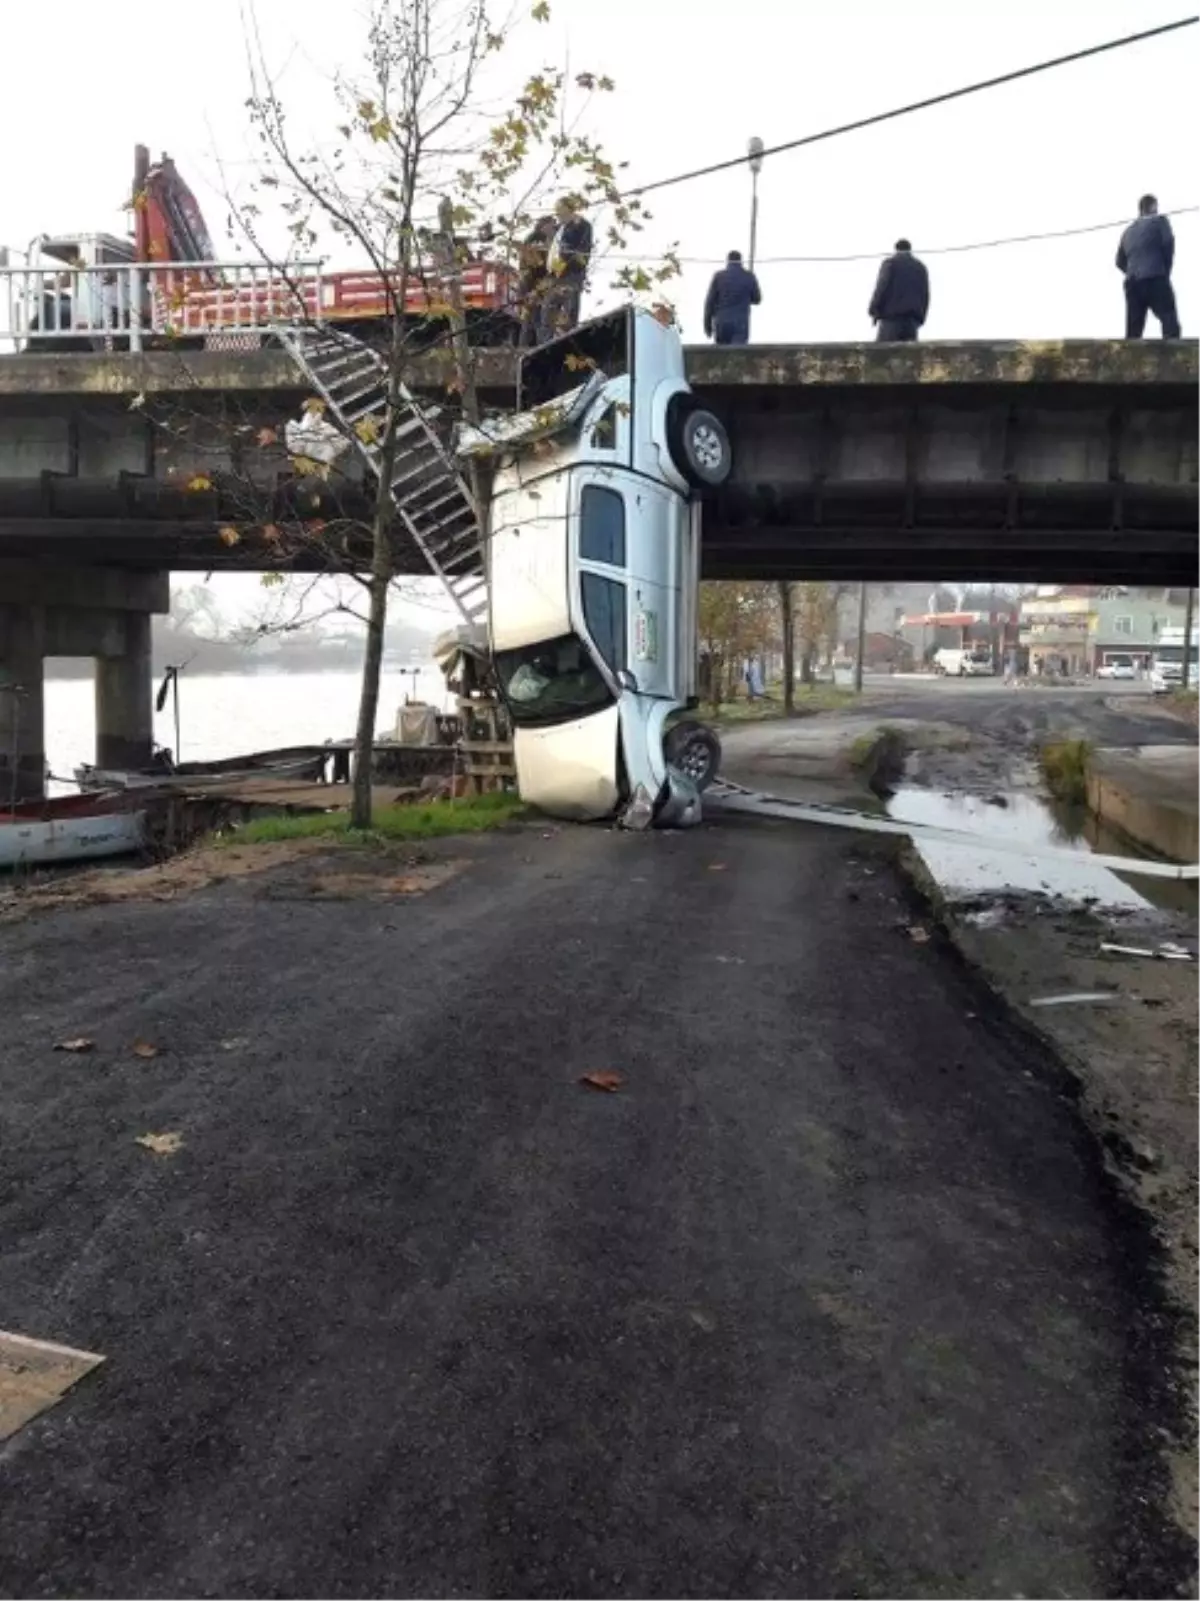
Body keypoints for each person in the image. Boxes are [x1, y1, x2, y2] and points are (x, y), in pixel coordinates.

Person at [1117, 194, 1180, 340]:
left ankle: (1130, 360)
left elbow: (1119, 261)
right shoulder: (1160, 222)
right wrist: (1165, 270)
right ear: (1153, 206)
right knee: (1169, 320)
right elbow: (1168, 244)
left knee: (1134, 330)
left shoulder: (1128, 232)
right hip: (1155, 277)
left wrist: (1134, 270)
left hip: (1133, 282)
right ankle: (1172, 358)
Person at [537, 197, 593, 343]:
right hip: (555, 276)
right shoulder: (561, 228)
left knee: (568, 313)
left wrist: (566, 262)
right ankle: (544, 345)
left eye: (559, 210)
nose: (557, 214)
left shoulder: (580, 225)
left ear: (568, 209)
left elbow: (581, 250)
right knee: (547, 311)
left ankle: (567, 344)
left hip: (571, 275)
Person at [868, 239, 930, 342]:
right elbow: (925, 295)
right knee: (908, 355)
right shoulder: (921, 267)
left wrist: (874, 309)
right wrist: (921, 317)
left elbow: (882, 286)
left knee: (883, 353)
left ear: (896, 249)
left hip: (891, 317)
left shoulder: (891, 263)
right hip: (912, 320)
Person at [703, 250, 762, 345]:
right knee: (738, 354)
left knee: (723, 355)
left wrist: (707, 326)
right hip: (740, 323)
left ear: (728, 261)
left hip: (721, 322)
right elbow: (757, 299)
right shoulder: (748, 276)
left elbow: (709, 303)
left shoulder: (719, 276)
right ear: (741, 261)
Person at [517, 214, 556, 347]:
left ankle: (524, 349)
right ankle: (539, 348)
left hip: (535, 286)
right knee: (537, 320)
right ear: (544, 225)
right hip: (533, 286)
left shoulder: (541, 239)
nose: (553, 227)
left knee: (530, 321)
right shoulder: (536, 240)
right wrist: (532, 291)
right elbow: (532, 268)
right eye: (551, 224)